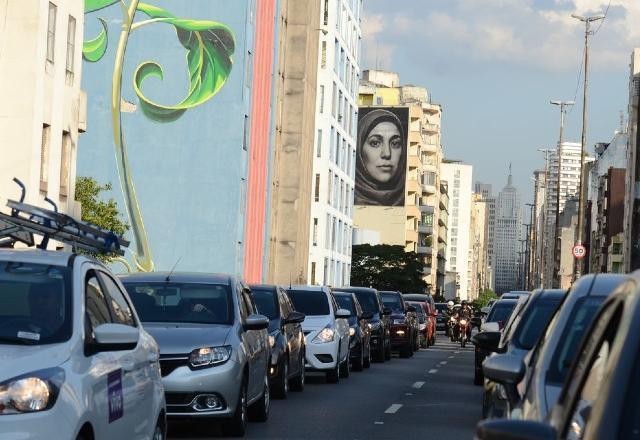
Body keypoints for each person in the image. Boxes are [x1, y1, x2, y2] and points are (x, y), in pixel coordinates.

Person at [355, 109, 407, 206]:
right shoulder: (345, 196)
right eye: (375, 143)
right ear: (359, 148)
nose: (387, 154)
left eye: (395, 144)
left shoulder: (406, 197)